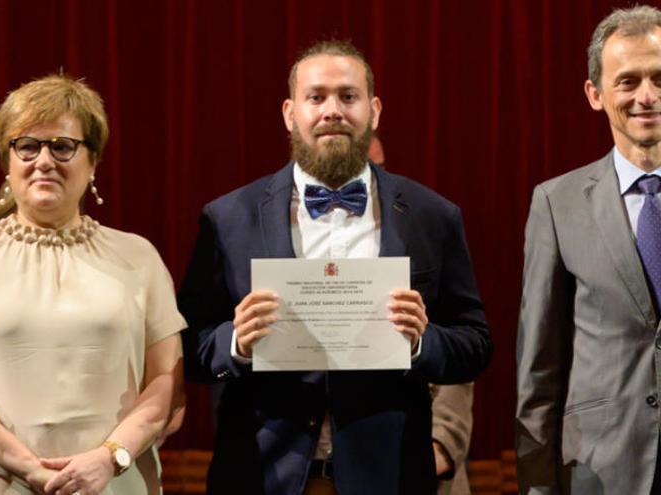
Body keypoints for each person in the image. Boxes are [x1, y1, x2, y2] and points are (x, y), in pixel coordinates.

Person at [178, 40, 492, 494]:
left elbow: (476, 344)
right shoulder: (228, 218)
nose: (332, 111)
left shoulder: (432, 215)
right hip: (262, 477)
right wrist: (236, 342)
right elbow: (189, 346)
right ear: (290, 113)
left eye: (348, 96)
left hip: (389, 477)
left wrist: (421, 342)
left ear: (375, 110)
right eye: (316, 96)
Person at [0, 74, 186, 495]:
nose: (44, 161)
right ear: (8, 161)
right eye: (27, 146)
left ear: (92, 161)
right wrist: (31, 469)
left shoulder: (139, 257)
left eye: (62, 146)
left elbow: (168, 385)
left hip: (114, 485)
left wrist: (107, 458)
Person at [516, 5, 661, 494]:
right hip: (601, 471)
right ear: (595, 94)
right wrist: (538, 487)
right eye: (628, 81)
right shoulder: (556, 204)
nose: (647, 96)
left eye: (660, 77)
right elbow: (540, 368)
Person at [369, 136, 474, 495]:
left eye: (376, 168)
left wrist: (441, 445)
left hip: (422, 472)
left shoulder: (424, 230)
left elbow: (462, 346)